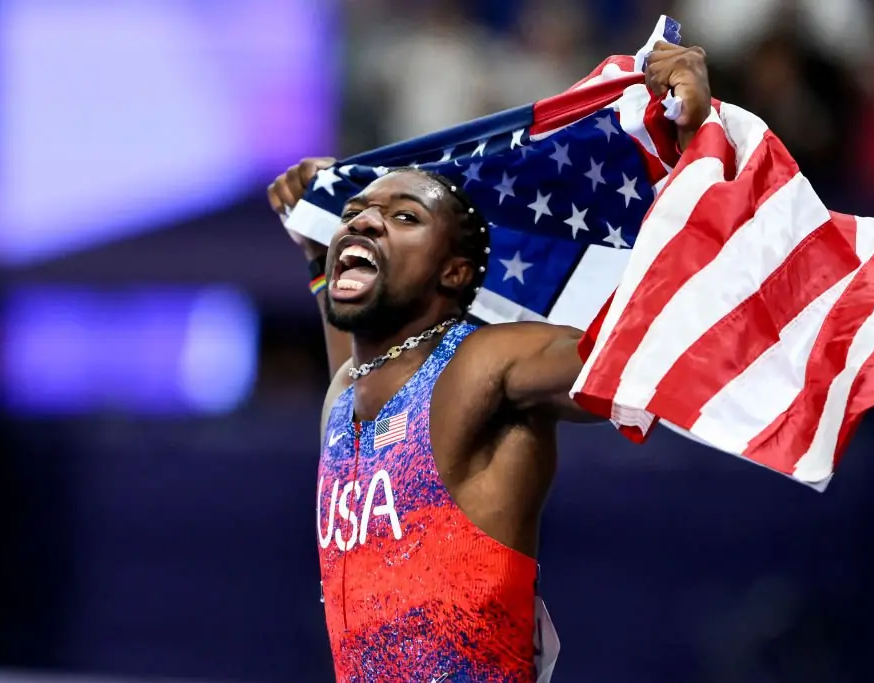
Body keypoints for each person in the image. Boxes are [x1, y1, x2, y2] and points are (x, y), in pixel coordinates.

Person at [266, 41, 710, 683]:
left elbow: (649, 347)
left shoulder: (487, 363)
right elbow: (356, 351)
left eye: (403, 216)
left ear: (455, 271)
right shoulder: (348, 390)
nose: (363, 224)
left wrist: (692, 148)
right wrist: (315, 249)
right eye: (356, 214)